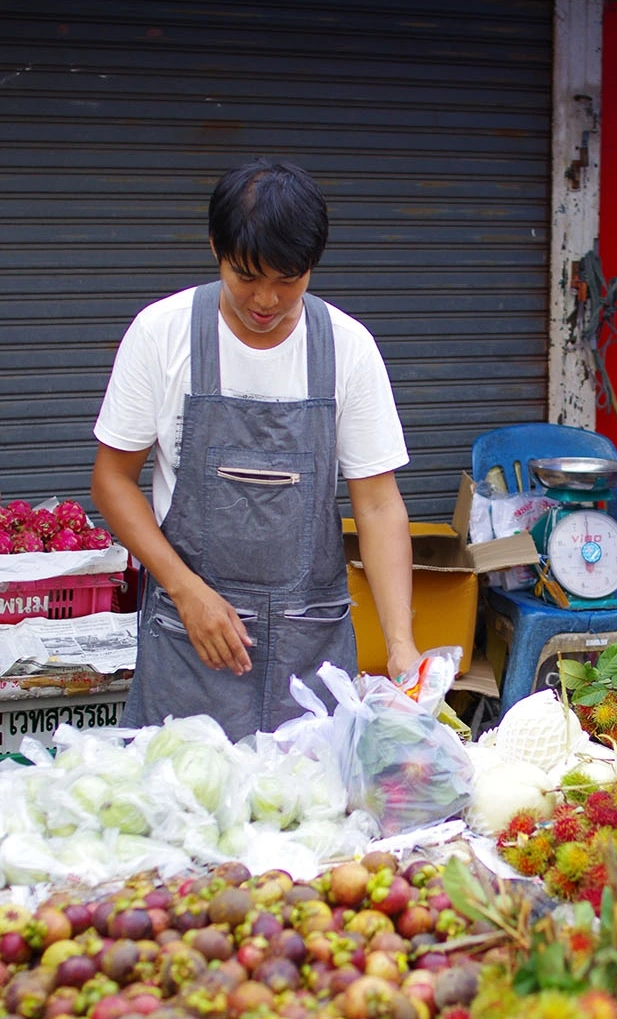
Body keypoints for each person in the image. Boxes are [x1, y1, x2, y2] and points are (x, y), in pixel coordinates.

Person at [91, 158, 420, 739]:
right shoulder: (161, 334)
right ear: (216, 246)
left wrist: (400, 646)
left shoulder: (348, 348)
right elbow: (112, 481)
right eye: (246, 276)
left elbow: (377, 503)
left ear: (312, 266)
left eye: (288, 280)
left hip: (311, 657)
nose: (266, 300)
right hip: (190, 649)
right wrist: (185, 588)